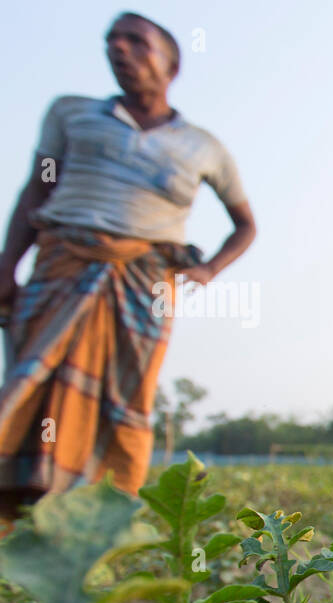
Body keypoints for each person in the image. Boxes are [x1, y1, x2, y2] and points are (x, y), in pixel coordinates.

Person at [0, 11, 256, 530]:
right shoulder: (71, 114)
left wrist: (208, 271)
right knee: (33, 379)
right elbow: (36, 189)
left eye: (136, 42)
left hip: (144, 280)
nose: (119, 49)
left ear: (171, 64)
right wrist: (7, 266)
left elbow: (245, 225)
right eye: (112, 41)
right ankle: (24, 499)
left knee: (124, 397)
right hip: (63, 261)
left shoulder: (203, 146)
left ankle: (104, 513)